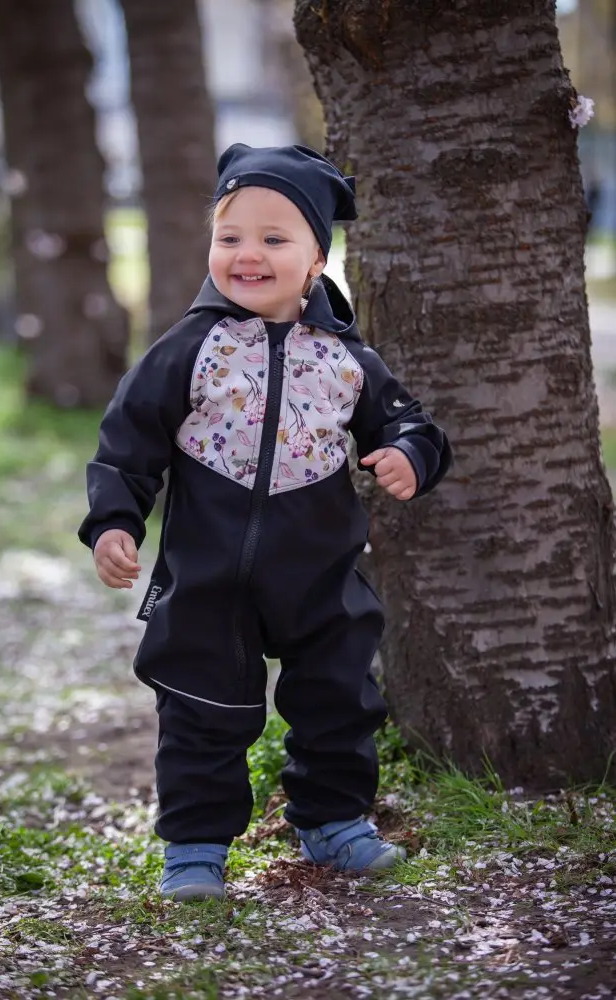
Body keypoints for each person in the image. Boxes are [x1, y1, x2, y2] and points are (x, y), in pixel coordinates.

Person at [79, 143, 452, 902]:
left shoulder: (346, 360)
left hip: (320, 571)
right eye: (230, 237)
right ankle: (195, 847)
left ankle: (333, 821)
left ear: (316, 259)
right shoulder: (188, 350)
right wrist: (115, 522)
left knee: (339, 699)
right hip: (208, 576)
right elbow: (126, 444)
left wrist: (410, 456)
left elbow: (407, 423)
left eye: (274, 239)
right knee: (200, 707)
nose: (247, 254)